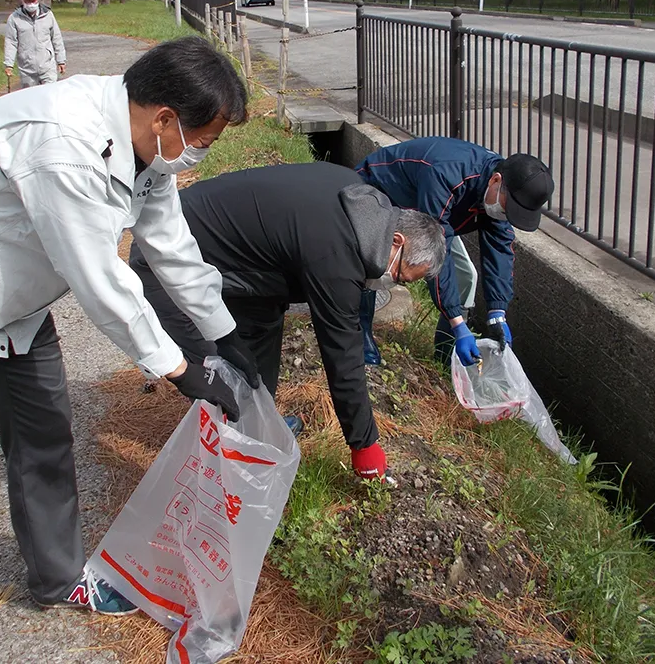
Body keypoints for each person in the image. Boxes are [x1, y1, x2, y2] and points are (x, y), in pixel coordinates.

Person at [0, 37, 257, 664]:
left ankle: (56, 576)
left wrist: (223, 331)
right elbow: (100, 278)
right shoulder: (65, 142)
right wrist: (179, 368)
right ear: (166, 118)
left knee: (45, 441)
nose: (199, 154)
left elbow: (168, 240)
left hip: (13, 310)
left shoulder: (141, 143)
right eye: (202, 140)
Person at [130, 163, 447, 482]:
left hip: (243, 269)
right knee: (214, 377)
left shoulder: (361, 202)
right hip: (165, 258)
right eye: (400, 276)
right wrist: (364, 444)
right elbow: (343, 356)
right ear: (396, 240)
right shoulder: (337, 252)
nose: (394, 282)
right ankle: (221, 479)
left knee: (254, 357)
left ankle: (254, 435)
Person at [356, 137, 554, 367]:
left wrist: (497, 312)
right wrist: (457, 323)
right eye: (508, 209)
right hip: (379, 191)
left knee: (464, 277)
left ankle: (444, 358)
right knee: (373, 263)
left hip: (426, 216)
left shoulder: (496, 189)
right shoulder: (447, 173)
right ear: (496, 180)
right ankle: (360, 336)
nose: (506, 216)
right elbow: (435, 249)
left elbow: (500, 248)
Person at [3, 0, 66, 88]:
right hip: (27, 69)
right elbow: (11, 42)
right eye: (28, 0)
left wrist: (61, 60)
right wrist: (9, 64)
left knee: (49, 97)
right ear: (22, 0)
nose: (31, 3)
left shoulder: (48, 15)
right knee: (32, 101)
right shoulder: (14, 18)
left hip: (47, 67)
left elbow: (56, 38)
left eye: (33, 0)